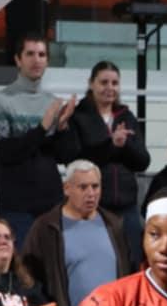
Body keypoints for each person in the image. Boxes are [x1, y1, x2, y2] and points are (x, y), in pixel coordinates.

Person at [0, 33, 75, 241]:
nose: (37, 60)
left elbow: (63, 156)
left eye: (42, 54)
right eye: (30, 54)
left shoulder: (52, 101)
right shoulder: (0, 101)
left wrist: (62, 129)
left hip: (51, 205)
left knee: (51, 269)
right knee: (21, 269)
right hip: (17, 208)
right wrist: (42, 128)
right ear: (18, 59)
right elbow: (5, 153)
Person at [55, 61, 148, 252]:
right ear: (91, 84)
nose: (109, 88)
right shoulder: (78, 116)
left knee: (131, 259)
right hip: (92, 207)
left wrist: (124, 145)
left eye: (114, 83)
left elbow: (142, 161)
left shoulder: (127, 116)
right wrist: (111, 145)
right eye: (104, 82)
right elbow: (74, 159)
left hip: (127, 206)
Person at [24, 163, 129, 306]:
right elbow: (28, 276)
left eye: (95, 186)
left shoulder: (114, 225)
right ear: (67, 189)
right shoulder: (45, 228)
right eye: (83, 187)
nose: (91, 194)